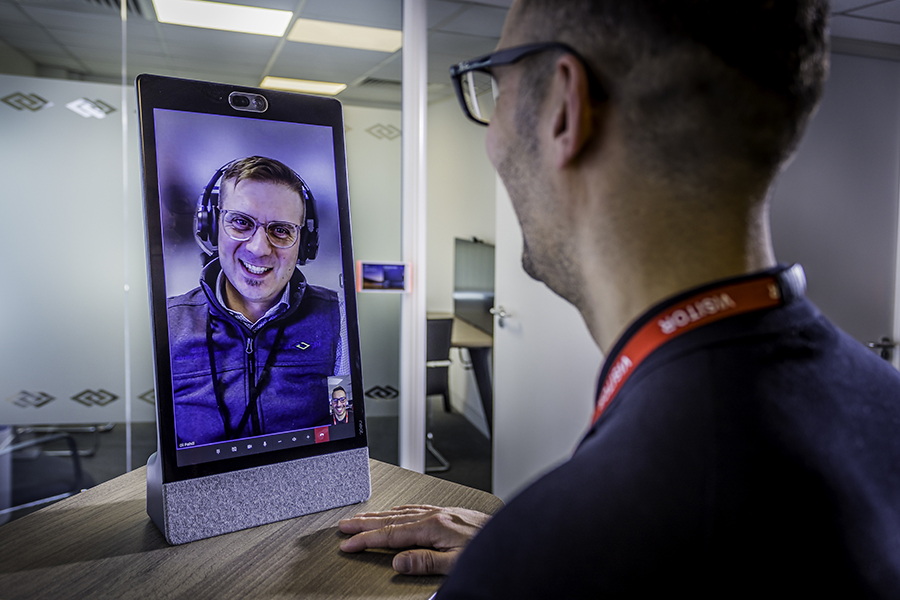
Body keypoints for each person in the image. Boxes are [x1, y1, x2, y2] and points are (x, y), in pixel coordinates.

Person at [338, 0, 900, 597]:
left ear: (563, 107)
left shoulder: (570, 552)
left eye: (492, 85)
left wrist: (533, 557)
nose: (492, 139)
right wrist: (542, 544)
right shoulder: (884, 407)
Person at [167, 156, 345, 446]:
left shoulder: (338, 321)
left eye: (281, 230)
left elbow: (343, 434)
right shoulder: (170, 324)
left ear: (305, 243)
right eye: (240, 222)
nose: (259, 248)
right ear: (211, 227)